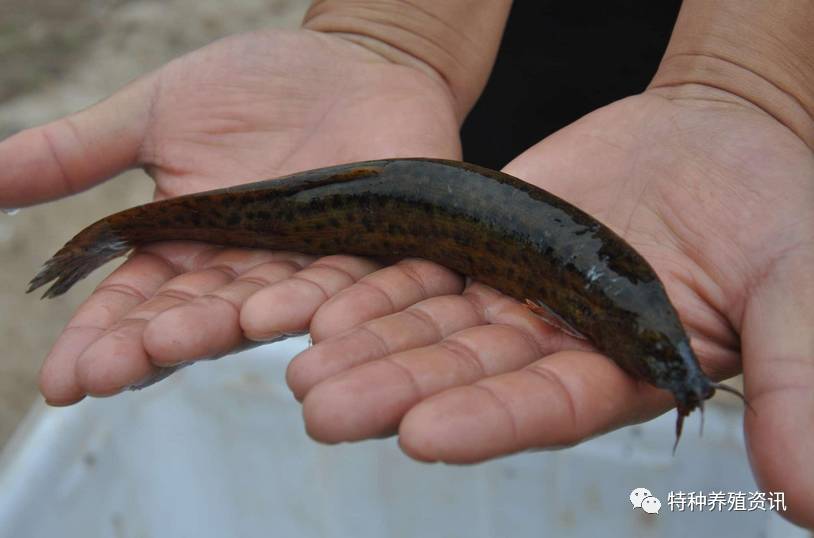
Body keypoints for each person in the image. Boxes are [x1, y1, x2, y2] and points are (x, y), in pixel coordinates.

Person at [1, 0, 811, 527]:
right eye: (661, 353)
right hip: (492, 88)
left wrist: (760, 84)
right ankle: (118, 231)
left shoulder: (628, 286)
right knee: (499, 125)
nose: (675, 375)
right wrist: (395, 30)